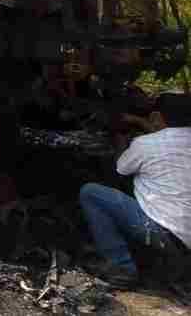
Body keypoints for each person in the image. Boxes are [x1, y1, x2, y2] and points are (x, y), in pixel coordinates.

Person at [79, 94, 191, 289]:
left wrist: (121, 140)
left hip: (165, 233)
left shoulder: (146, 144)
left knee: (91, 192)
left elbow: (120, 169)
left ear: (157, 116)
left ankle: (122, 269)